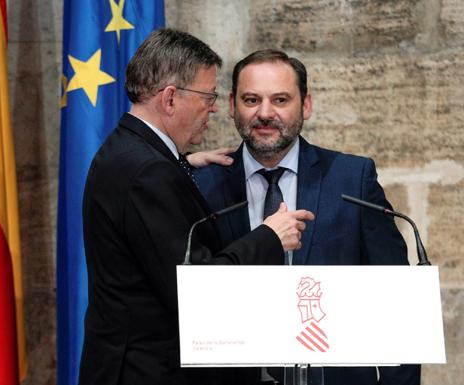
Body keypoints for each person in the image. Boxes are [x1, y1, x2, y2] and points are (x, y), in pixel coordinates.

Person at [78, 30, 314, 385]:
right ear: (170, 99)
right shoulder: (148, 171)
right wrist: (269, 236)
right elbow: (197, 291)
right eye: (208, 95)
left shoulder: (134, 153)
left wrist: (181, 163)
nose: (215, 107)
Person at [194, 49, 421, 385]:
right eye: (252, 100)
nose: (265, 113)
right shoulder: (202, 184)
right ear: (231, 106)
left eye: (281, 100)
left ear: (307, 105)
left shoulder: (352, 179)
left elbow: (398, 307)